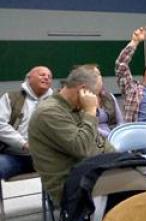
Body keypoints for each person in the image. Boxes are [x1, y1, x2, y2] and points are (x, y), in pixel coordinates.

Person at [29, 66, 114, 206]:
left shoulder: (76, 108)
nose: (96, 101)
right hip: (70, 184)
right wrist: (91, 112)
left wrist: (119, 159)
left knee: (145, 175)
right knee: (136, 190)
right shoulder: (49, 112)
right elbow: (82, 148)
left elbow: (99, 142)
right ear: (83, 90)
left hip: (92, 171)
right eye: (95, 95)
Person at [0, 66, 53, 181]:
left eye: (49, 76)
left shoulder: (55, 102)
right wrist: (23, 143)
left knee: (70, 170)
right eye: (42, 74)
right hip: (15, 156)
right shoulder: (10, 98)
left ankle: (55, 199)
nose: (46, 78)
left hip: (48, 158)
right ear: (29, 78)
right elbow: (0, 124)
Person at [82, 64, 123, 138]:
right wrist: (111, 136)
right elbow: (90, 127)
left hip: (115, 136)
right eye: (95, 76)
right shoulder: (82, 99)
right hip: (95, 139)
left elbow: (120, 122)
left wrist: (118, 135)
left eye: (99, 74)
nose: (100, 78)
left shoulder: (109, 97)